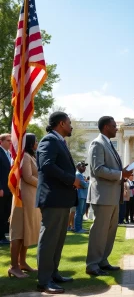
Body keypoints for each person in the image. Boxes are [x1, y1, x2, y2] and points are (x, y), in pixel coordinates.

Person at [36, 112, 80, 294]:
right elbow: (47, 165)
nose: (71, 127)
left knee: (58, 240)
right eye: (69, 123)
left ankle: (53, 274)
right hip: (53, 198)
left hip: (62, 199)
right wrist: (72, 180)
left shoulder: (59, 141)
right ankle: (44, 280)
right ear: (61, 124)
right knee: (49, 240)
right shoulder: (49, 140)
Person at [86, 116, 132, 276]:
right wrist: (121, 173)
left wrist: (123, 172)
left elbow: (111, 169)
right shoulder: (97, 143)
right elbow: (98, 169)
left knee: (110, 231)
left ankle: (103, 260)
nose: (116, 128)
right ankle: (92, 264)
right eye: (114, 126)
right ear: (106, 127)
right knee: (99, 231)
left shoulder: (109, 144)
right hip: (102, 195)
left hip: (112, 195)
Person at [8, 133, 41, 278]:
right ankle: (14, 266)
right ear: (30, 143)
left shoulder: (31, 156)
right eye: (36, 141)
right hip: (23, 199)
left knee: (27, 231)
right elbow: (27, 177)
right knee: (19, 232)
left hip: (31, 198)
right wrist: (43, 184)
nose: (37, 143)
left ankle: (22, 262)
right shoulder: (24, 157)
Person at [0, 133, 12, 245]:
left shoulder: (9, 154)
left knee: (6, 212)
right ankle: (1, 237)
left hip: (9, 189)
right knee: (1, 212)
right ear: (1, 141)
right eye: (8, 140)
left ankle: (4, 234)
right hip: (2, 189)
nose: (10, 142)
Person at [74, 162, 89, 233]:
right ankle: (77, 228)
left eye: (85, 166)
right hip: (80, 195)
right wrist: (89, 182)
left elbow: (85, 184)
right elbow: (85, 185)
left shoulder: (81, 175)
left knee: (81, 212)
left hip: (83, 195)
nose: (84, 168)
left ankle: (80, 228)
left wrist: (86, 183)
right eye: (83, 166)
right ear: (78, 167)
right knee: (79, 212)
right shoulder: (78, 175)